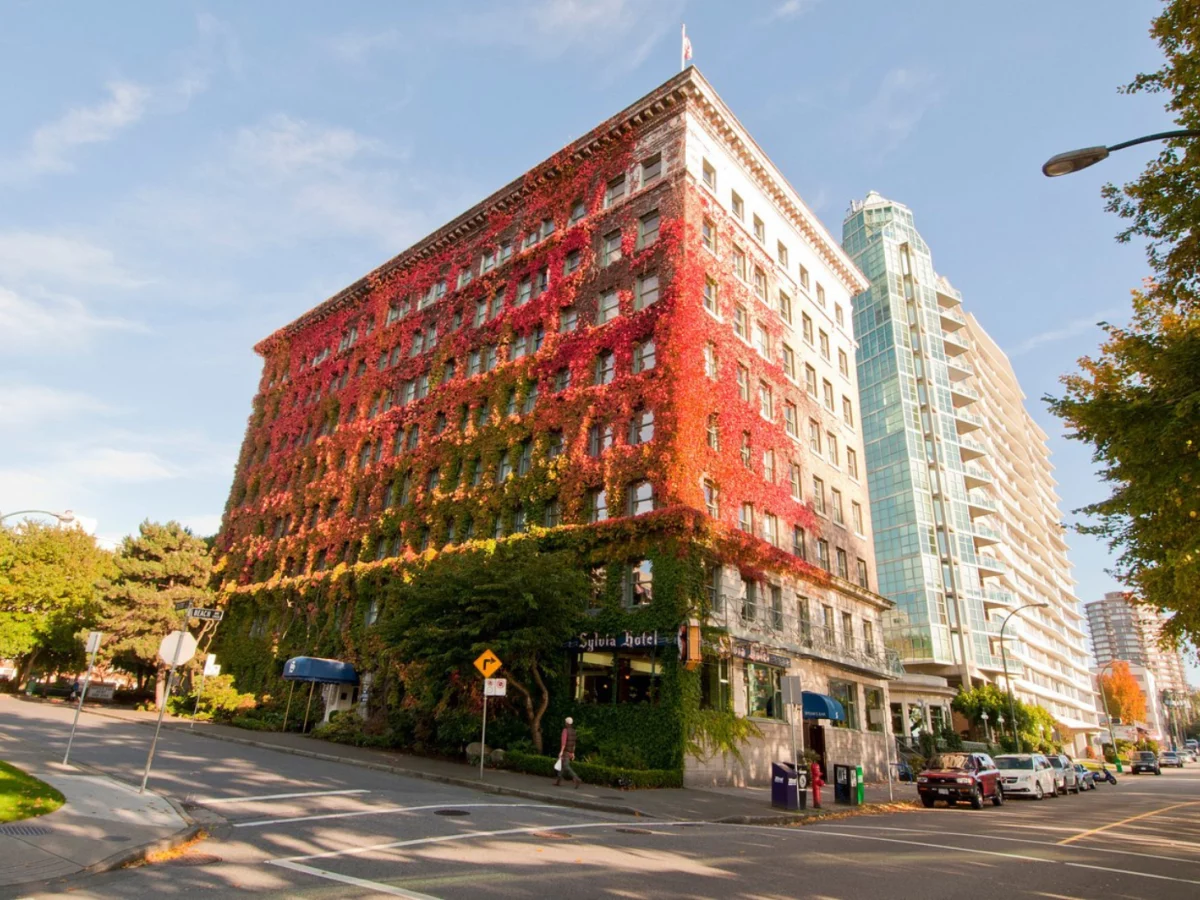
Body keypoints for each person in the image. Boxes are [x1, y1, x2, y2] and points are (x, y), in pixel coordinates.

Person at [554, 716, 582, 788]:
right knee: (563, 766)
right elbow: (574, 743)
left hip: (565, 751)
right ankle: (558, 781)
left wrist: (561, 752)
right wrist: (573, 753)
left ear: (566, 723)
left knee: (566, 766)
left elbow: (563, 742)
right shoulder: (574, 731)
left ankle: (576, 778)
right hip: (570, 751)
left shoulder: (565, 731)